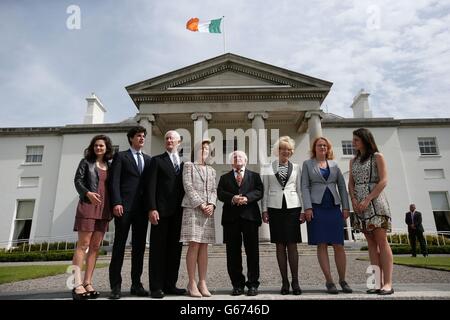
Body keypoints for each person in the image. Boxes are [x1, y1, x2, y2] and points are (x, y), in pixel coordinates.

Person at [301, 137, 353, 294]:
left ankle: (343, 280)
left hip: (333, 207)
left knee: (338, 244)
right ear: (314, 148)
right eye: (319, 145)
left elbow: (342, 187)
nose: (322, 147)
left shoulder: (335, 165)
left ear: (328, 148)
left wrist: (346, 207)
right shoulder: (307, 164)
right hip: (317, 208)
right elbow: (304, 186)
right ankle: (329, 281)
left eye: (324, 145)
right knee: (321, 243)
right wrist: (308, 208)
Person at [349, 128, 394, 295]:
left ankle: (388, 283)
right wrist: (354, 200)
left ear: (365, 140)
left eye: (356, 140)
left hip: (376, 203)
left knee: (382, 242)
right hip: (359, 206)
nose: (353, 143)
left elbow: (383, 181)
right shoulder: (353, 161)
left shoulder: (378, 156)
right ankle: (375, 283)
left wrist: (368, 199)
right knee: (370, 244)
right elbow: (351, 184)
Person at [108, 126, 151, 299]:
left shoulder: (148, 160)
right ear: (131, 138)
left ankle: (136, 284)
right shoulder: (121, 156)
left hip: (141, 210)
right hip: (123, 208)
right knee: (119, 247)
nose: (142, 138)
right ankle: (115, 287)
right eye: (139, 136)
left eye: (143, 136)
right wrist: (116, 202)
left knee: (139, 249)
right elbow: (114, 181)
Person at [71, 134, 113, 300]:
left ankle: (88, 282)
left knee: (95, 247)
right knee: (83, 245)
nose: (98, 148)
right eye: (96, 145)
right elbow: (77, 181)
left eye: (101, 146)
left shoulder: (110, 165)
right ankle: (76, 284)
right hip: (88, 206)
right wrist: (87, 193)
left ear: (107, 148)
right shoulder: (85, 163)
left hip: (104, 210)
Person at [146, 130, 186, 298]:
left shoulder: (184, 163)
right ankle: (156, 287)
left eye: (172, 138)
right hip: (160, 212)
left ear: (179, 142)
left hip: (179, 213)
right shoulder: (156, 160)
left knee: (175, 250)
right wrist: (152, 208)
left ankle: (170, 285)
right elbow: (151, 186)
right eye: (167, 138)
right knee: (157, 250)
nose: (169, 140)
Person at [218, 150, 264, 297]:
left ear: (245, 160)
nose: (237, 159)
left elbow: (259, 191)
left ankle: (252, 284)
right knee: (232, 253)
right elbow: (219, 193)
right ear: (231, 162)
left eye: (240, 157)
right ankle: (237, 285)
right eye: (234, 157)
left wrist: (247, 198)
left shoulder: (254, 176)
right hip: (231, 219)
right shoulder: (224, 177)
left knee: (252, 252)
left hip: (250, 217)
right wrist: (233, 198)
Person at [262, 136, 303, 295]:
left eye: (288, 149)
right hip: (275, 208)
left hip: (293, 208)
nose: (285, 151)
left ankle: (295, 281)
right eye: (282, 148)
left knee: (292, 245)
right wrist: (264, 210)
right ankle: (284, 282)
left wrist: (302, 210)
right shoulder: (268, 167)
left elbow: (299, 189)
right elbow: (265, 190)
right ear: (277, 150)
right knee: (280, 245)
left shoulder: (297, 167)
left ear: (291, 151)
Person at [180, 139, 217, 297]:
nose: (205, 152)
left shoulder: (212, 170)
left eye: (207, 150)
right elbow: (187, 186)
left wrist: (212, 205)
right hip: (193, 208)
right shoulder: (189, 166)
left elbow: (214, 189)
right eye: (202, 149)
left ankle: (203, 282)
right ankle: (192, 282)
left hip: (208, 211)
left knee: (204, 246)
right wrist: (201, 204)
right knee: (194, 244)